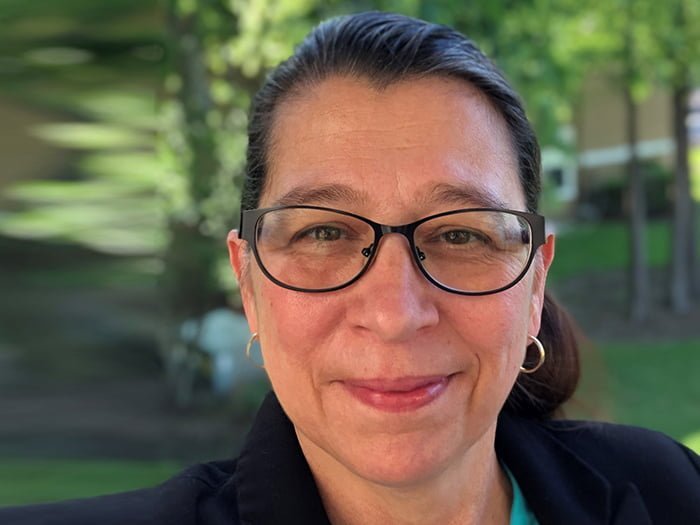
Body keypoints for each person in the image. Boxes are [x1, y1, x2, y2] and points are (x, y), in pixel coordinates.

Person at [2, 11, 698, 525]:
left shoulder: (669, 490)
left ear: (535, 279)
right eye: (325, 232)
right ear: (249, 285)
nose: (394, 314)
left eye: (460, 233)